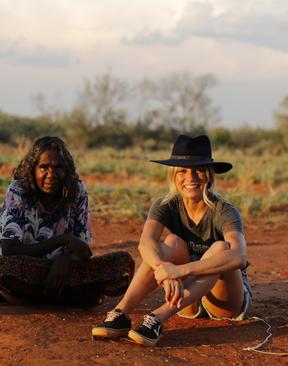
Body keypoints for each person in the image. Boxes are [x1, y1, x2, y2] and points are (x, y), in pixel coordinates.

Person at [91, 134, 251, 347]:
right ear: (174, 175)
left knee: (221, 247)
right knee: (172, 242)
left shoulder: (224, 210)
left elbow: (239, 256)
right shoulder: (165, 204)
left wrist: (180, 271)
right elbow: (145, 242)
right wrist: (164, 268)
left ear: (210, 176)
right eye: (182, 171)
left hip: (224, 301)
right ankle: (121, 313)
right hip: (186, 300)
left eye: (199, 170)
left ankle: (156, 318)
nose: (190, 177)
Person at [0, 136, 134, 307]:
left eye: (58, 168)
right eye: (43, 167)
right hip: (24, 267)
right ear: (32, 169)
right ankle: (66, 298)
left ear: (67, 171)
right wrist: (63, 240)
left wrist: (65, 260)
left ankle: (32, 298)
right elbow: (9, 249)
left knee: (123, 264)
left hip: (62, 272)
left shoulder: (77, 191)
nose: (51, 175)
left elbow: (84, 252)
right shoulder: (18, 190)